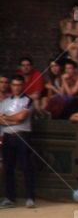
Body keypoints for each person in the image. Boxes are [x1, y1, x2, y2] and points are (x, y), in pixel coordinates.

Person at [0, 75, 36, 209]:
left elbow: (21, 117)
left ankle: (30, 197)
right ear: (11, 86)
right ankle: (10, 197)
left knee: (26, 166)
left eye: (19, 85)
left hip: (22, 135)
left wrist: (7, 118)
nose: (16, 87)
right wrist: (12, 120)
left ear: (23, 86)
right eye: (14, 85)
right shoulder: (4, 102)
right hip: (7, 136)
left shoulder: (28, 100)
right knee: (8, 168)